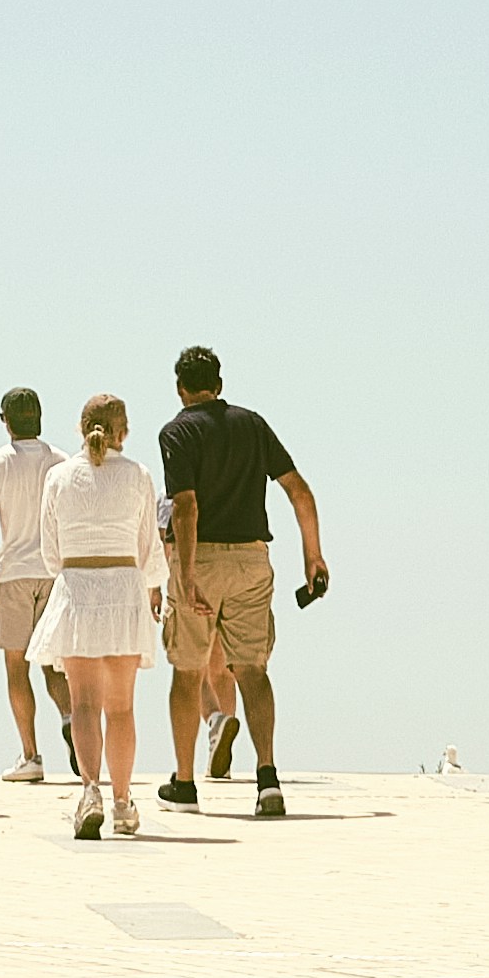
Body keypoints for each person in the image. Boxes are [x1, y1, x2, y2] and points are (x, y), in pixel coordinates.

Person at [151, 344, 331, 816]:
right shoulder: (252, 424)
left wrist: (185, 574)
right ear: (220, 384)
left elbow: (186, 507)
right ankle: (267, 778)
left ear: (180, 388)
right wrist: (313, 556)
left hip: (202, 558)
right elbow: (299, 490)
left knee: (188, 672)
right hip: (252, 559)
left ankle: (185, 784)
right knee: (252, 671)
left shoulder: (177, 432)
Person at [38, 392, 167, 840]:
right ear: (123, 432)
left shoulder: (58, 477)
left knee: (83, 705)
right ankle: (123, 802)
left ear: (81, 428)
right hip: (123, 592)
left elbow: (50, 553)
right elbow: (149, 547)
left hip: (78, 590)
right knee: (122, 708)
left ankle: (89, 790)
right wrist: (153, 584)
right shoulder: (137, 475)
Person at [0, 382, 69, 806]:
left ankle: (30, 755)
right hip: (53, 572)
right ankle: (70, 718)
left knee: (17, 668)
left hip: (13, 573)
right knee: (55, 665)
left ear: (5, 421)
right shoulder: (61, 462)